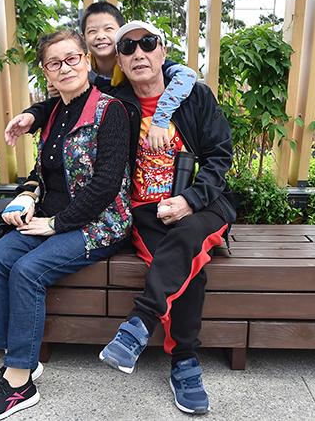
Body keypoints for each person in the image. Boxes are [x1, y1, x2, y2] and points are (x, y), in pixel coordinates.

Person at [0, 29, 132, 421]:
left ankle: (18, 383)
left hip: (99, 223)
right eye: (55, 63)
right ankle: (17, 359)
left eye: (72, 58)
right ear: (46, 72)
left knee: (28, 270)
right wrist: (26, 196)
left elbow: (106, 185)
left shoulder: (111, 111)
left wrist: (55, 224)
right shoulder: (54, 112)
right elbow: (43, 170)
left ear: (86, 60)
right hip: (50, 217)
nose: (65, 68)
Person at [98, 21, 236, 415]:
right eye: (128, 48)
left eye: (147, 43)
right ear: (120, 60)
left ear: (162, 52)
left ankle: (141, 323)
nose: (139, 53)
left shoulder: (195, 96)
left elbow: (219, 155)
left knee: (188, 235)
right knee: (189, 269)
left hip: (204, 204)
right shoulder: (117, 104)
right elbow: (66, 95)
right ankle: (185, 363)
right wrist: (32, 115)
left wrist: (190, 199)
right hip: (146, 211)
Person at [5, 1, 197, 151]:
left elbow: (187, 75)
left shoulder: (139, 63)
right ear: (83, 39)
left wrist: (160, 119)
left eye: (108, 29)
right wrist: (33, 114)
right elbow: (60, 105)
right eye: (92, 31)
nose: (100, 36)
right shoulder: (80, 72)